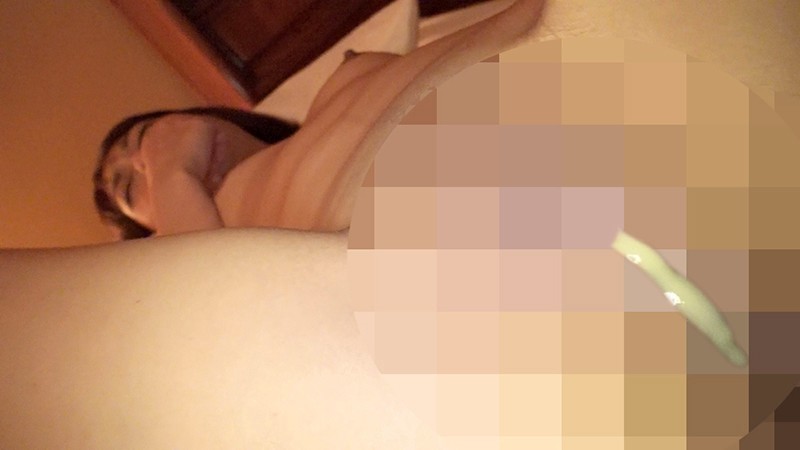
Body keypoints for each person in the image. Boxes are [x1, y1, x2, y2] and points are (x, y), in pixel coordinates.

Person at [93, 0, 546, 240]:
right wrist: (174, 175)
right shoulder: (212, 250)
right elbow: (214, 322)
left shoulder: (333, 92)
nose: (148, 155)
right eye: (131, 186)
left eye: (147, 135)